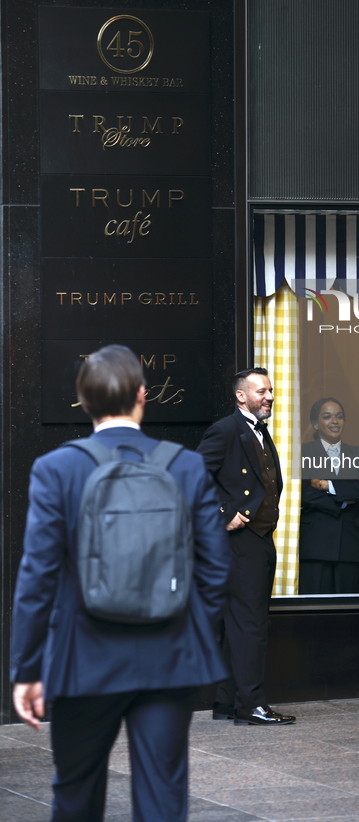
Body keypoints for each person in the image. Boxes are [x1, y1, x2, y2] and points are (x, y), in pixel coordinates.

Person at [10, 345, 231, 822]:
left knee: (75, 794)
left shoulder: (56, 469)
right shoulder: (185, 465)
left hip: (82, 658)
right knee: (162, 797)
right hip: (170, 658)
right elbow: (216, 567)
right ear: (142, 395)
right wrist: (191, 630)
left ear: (82, 400)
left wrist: (26, 669)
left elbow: (37, 576)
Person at [197, 367, 296, 726]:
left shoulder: (258, 431)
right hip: (238, 543)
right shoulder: (225, 430)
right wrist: (223, 513)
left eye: (270, 391)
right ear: (242, 396)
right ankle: (252, 704)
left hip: (258, 540)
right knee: (250, 626)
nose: (269, 397)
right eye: (261, 392)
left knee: (239, 625)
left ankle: (227, 702)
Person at [299, 397, 359, 594]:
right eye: (327, 417)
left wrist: (328, 485)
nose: (335, 421)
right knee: (315, 614)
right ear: (316, 424)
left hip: (351, 545)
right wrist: (348, 494)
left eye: (339, 417)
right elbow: (305, 493)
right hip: (315, 544)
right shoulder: (302, 453)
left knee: (352, 612)